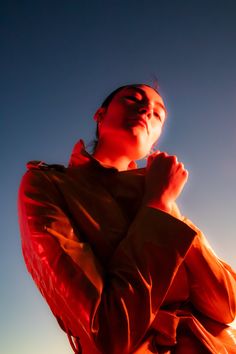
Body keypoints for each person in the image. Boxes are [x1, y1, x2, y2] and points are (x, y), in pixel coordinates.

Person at [18, 84, 236, 354]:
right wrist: (157, 205)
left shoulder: (161, 191)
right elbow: (108, 333)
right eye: (132, 99)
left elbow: (227, 307)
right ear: (100, 115)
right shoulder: (46, 184)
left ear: (154, 141)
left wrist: (168, 206)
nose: (146, 110)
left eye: (158, 114)